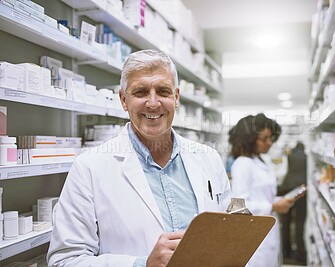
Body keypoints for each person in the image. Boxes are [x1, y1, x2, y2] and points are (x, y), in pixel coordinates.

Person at [47, 49, 231, 267]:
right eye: (141, 92)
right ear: (124, 100)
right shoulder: (89, 167)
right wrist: (142, 264)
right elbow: (65, 260)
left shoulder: (208, 158)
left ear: (176, 97)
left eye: (163, 91)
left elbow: (227, 236)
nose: (153, 103)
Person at [228, 113, 303, 267]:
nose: (270, 142)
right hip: (254, 239)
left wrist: (281, 201)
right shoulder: (242, 164)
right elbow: (238, 207)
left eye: (271, 138)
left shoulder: (257, 160)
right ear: (249, 139)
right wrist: (274, 206)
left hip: (267, 232)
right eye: (265, 139)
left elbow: (260, 197)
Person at [279, 142, 307, 264]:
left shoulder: (290, 155)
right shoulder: (306, 156)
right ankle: (301, 254)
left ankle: (286, 251)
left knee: (286, 221)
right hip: (301, 190)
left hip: (286, 188)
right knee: (300, 222)